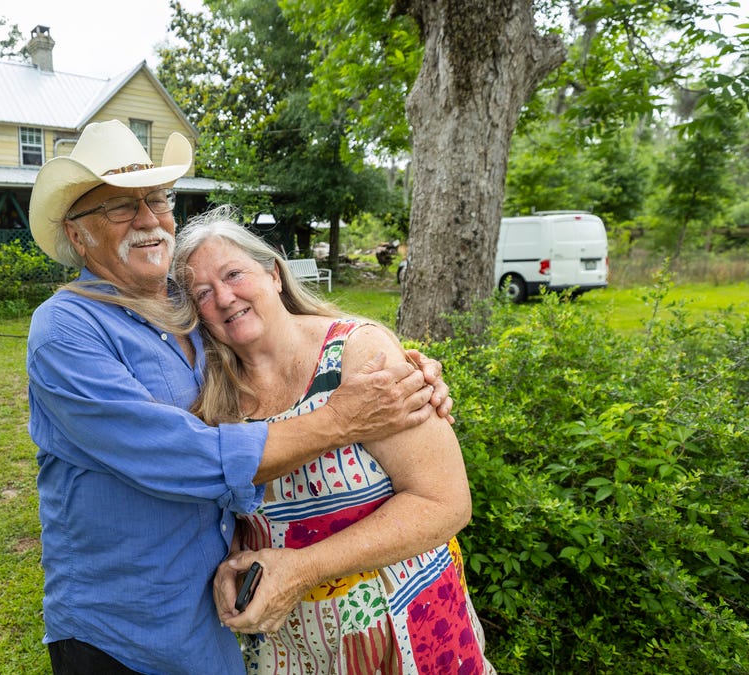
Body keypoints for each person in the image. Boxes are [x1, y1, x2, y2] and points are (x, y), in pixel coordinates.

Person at [26, 119, 452, 675]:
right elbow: (179, 456)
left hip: (219, 625)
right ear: (78, 234)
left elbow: (279, 329)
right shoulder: (66, 329)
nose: (150, 220)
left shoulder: (188, 310)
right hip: (122, 630)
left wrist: (406, 367)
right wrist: (343, 418)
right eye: (121, 208)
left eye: (158, 199)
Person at [171, 206, 493, 674]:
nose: (223, 297)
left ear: (275, 275)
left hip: (404, 626)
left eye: (234, 273)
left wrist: (303, 569)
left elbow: (446, 501)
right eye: (202, 292)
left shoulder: (358, 355)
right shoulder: (214, 403)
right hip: (291, 642)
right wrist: (235, 563)